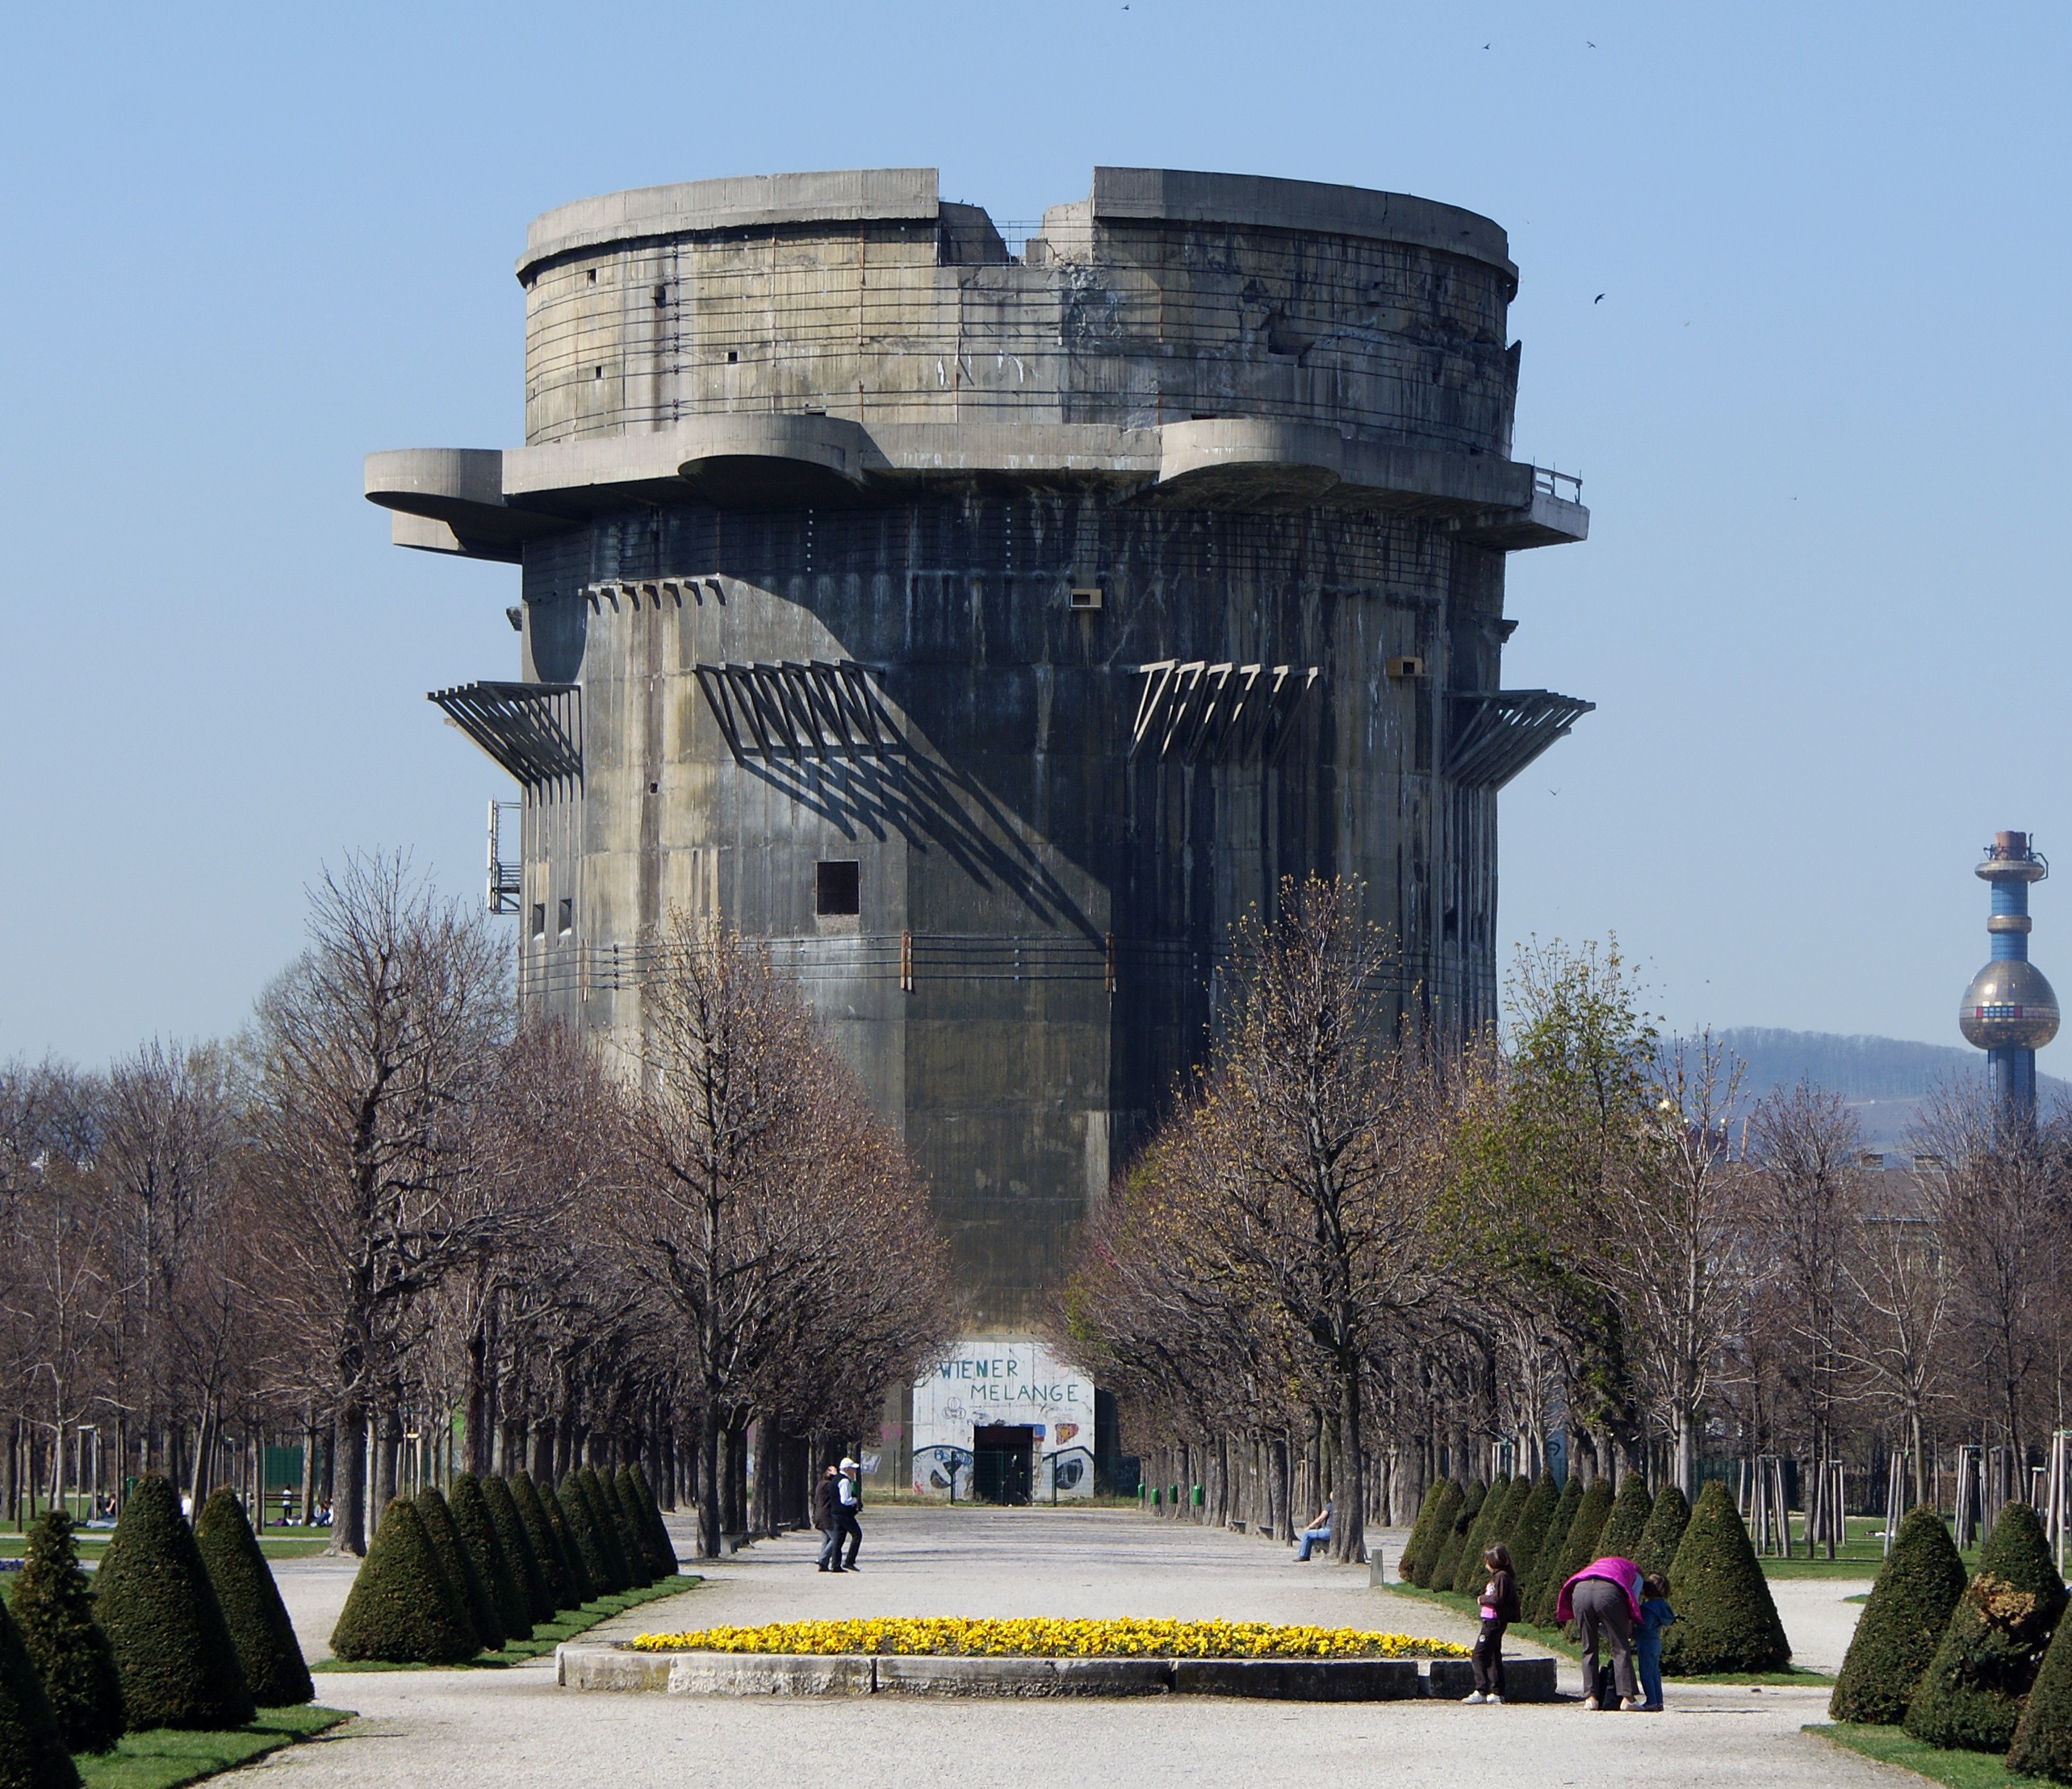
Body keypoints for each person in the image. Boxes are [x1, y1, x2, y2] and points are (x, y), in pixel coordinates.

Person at [1554, 1549, 1645, 1712]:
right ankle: (1627, 1697)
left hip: (1580, 1590)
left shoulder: (1598, 1565)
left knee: (1588, 1647)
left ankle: (1591, 1698)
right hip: (1610, 1592)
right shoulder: (1637, 1575)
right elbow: (1633, 1602)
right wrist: (1628, 1628)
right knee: (1620, 1647)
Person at [1463, 1541, 1521, 1704]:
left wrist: (1482, 1599)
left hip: (1493, 1621)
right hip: (1490, 1620)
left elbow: (1498, 1599)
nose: (1486, 1564)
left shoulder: (1501, 1577)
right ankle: (1496, 1691)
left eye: (1487, 1561)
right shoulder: (1498, 1577)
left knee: (1478, 1654)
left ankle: (1481, 1690)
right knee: (1493, 1655)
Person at [1635, 1573, 1676, 1712]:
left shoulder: (1649, 1608)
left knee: (1645, 1673)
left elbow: (1644, 1625)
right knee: (1654, 1673)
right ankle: (1658, 1701)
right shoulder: (1662, 1606)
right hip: (1655, 1642)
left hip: (1645, 1642)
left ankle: (1651, 1701)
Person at [812, 1465, 843, 1572]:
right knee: (836, 1538)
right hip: (826, 1516)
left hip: (819, 1514)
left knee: (826, 1540)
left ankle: (823, 1565)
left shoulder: (821, 1483)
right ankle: (822, 1559)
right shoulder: (828, 1485)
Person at [835, 1457, 864, 1571]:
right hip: (844, 1514)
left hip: (837, 1513)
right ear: (847, 1469)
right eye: (852, 1469)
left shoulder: (837, 1479)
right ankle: (849, 1561)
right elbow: (845, 1500)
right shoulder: (845, 1481)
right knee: (857, 1535)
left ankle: (835, 1565)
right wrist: (855, 1500)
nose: (854, 1471)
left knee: (839, 1539)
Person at [1294, 1497, 1333, 1562]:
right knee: (1310, 1535)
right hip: (1335, 1532)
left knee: (1306, 1534)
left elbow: (1320, 1519)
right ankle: (1305, 1555)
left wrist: (1309, 1527)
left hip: (1328, 1531)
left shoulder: (1330, 1506)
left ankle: (1303, 1555)